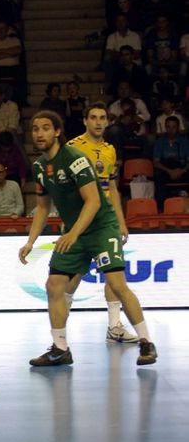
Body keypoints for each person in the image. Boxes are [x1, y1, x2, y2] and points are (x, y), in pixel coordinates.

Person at [20, 110, 157, 367]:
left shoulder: (75, 159)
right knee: (54, 286)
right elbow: (42, 207)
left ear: (58, 132)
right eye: (36, 129)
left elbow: (93, 201)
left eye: (46, 128)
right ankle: (60, 348)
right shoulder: (39, 167)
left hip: (101, 228)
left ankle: (147, 343)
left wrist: (72, 233)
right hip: (75, 232)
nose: (39, 133)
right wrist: (30, 241)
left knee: (117, 284)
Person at [66, 103, 136, 342]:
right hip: (82, 219)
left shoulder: (110, 150)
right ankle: (59, 335)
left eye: (102, 118)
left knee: (113, 274)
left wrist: (121, 221)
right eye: (93, 117)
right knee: (71, 277)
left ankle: (114, 326)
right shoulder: (72, 148)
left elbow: (113, 188)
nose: (98, 122)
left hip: (106, 220)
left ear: (107, 122)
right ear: (85, 121)